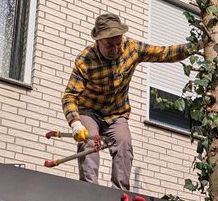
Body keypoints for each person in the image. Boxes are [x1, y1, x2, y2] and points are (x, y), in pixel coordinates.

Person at [62, 12, 194, 190]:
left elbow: (163, 53)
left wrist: (193, 47)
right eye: (109, 45)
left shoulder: (131, 48)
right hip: (89, 111)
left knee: (124, 143)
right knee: (90, 140)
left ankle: (120, 193)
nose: (115, 50)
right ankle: (89, 189)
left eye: (118, 44)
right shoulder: (85, 60)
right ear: (98, 40)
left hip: (116, 114)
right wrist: (75, 123)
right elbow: (70, 95)